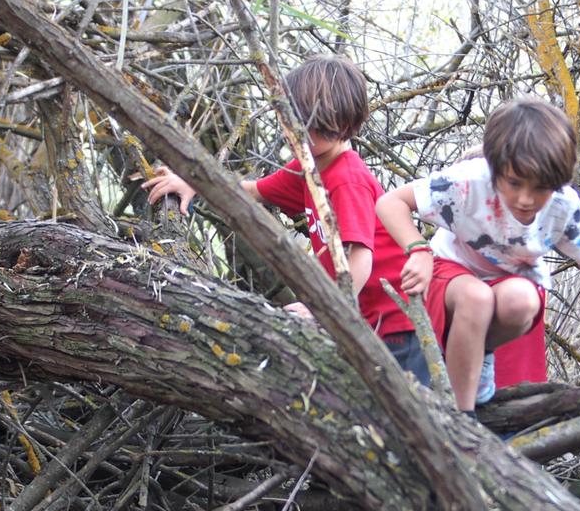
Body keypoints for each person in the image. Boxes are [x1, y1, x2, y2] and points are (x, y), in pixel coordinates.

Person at [141, 54, 429, 385]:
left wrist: (323, 310)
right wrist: (193, 181)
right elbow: (249, 191)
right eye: (289, 121)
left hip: (398, 323)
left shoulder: (347, 177)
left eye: (306, 126)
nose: (293, 133)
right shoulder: (308, 168)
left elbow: (361, 259)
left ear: (339, 126)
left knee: (403, 414)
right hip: (360, 319)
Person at [376, 96, 580, 411]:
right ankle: (462, 418)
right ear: (494, 169)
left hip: (509, 283)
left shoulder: (564, 207)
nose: (525, 199)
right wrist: (418, 250)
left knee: (520, 301)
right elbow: (390, 203)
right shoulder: (468, 181)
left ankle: (478, 356)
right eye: (514, 183)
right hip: (449, 273)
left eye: (540, 188)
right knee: (475, 297)